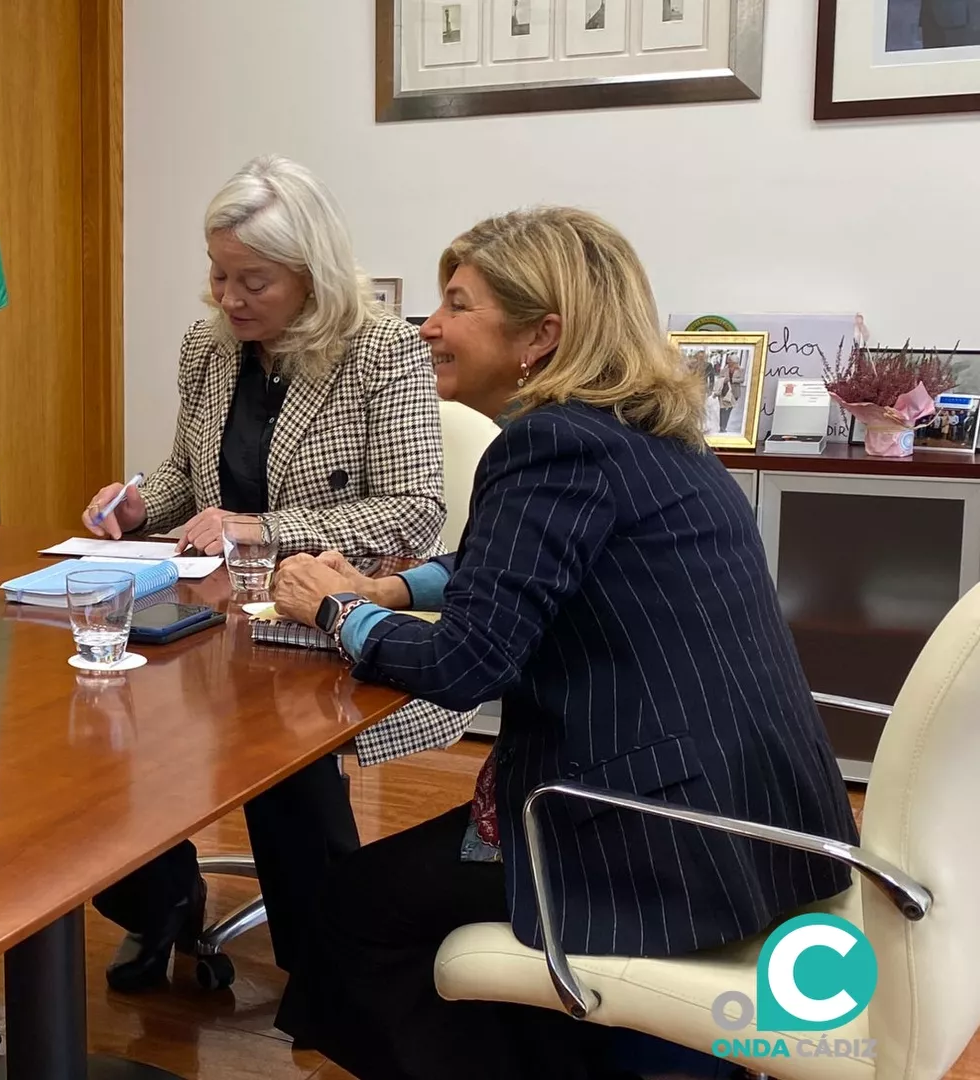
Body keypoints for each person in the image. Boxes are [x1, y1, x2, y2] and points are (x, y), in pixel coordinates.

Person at [270, 207, 858, 1080]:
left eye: (457, 304)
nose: (427, 325)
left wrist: (333, 610)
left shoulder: (548, 445)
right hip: (759, 815)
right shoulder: (640, 434)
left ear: (540, 335)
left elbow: (467, 663)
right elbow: (506, 564)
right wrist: (391, 588)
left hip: (653, 836)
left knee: (351, 911)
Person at [79, 155, 468, 996]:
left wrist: (265, 528)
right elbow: (189, 476)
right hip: (202, 609)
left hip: (320, 606)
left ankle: (325, 966)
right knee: (103, 732)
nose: (229, 298)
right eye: (218, 274)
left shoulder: (384, 351)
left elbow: (412, 511)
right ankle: (162, 899)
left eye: (253, 279)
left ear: (311, 274)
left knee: (281, 757)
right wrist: (140, 503)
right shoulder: (208, 348)